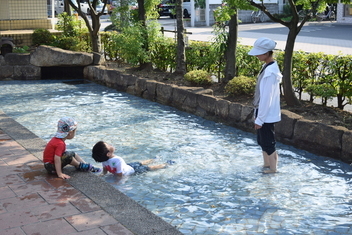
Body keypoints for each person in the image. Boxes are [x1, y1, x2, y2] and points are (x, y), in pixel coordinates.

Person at [248, 37, 282, 174]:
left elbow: (267, 97)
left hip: (266, 114)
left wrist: (260, 118)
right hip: (263, 112)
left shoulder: (270, 71)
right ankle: (267, 164)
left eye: (259, 53)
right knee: (262, 141)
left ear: (267, 53)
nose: (256, 55)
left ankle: (273, 169)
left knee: (268, 142)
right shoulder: (268, 67)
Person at [92, 141, 168, 176]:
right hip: (132, 171)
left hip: (126, 166)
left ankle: (154, 159)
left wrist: (102, 175)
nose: (110, 144)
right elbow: (119, 175)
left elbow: (105, 170)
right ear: (108, 154)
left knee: (140, 163)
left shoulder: (103, 159)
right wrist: (117, 183)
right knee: (149, 168)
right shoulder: (118, 160)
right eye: (108, 145)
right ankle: (166, 164)